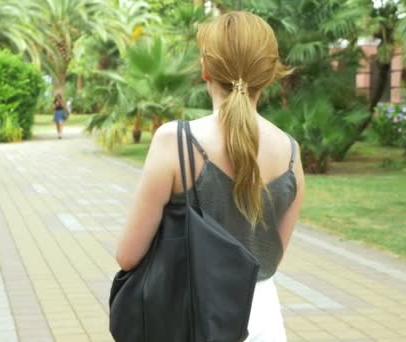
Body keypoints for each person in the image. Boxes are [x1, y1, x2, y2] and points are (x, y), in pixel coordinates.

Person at [115, 11, 305, 341]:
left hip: (188, 315)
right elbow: (269, 256)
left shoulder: (175, 141)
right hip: (262, 318)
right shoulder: (291, 153)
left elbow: (129, 256)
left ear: (205, 70)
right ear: (270, 73)